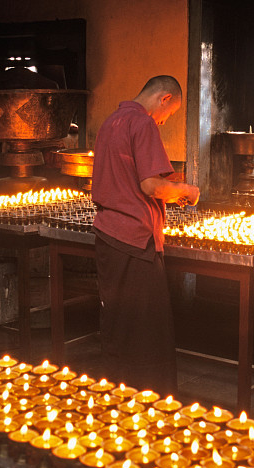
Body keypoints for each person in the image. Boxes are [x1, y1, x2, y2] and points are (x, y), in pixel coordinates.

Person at [91, 75, 200, 395]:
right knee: (146, 328)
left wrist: (169, 187)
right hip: (134, 238)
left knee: (119, 321)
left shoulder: (112, 121)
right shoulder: (142, 123)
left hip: (108, 234)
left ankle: (118, 391)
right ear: (164, 98)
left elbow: (128, 175)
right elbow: (150, 186)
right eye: (170, 113)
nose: (165, 121)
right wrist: (186, 190)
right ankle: (149, 399)